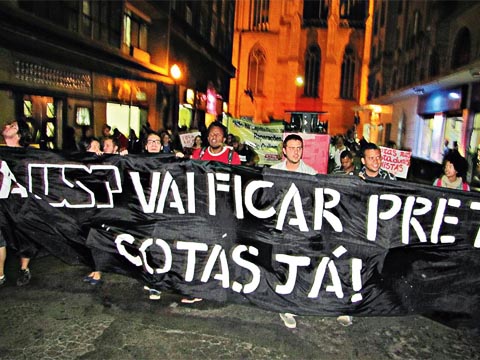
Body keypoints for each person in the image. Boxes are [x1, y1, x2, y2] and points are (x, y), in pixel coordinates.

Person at [270, 133, 316, 329]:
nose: (296, 152)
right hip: (279, 229)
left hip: (300, 230)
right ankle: (283, 304)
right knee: (280, 265)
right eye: (292, 148)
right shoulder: (273, 172)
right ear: (284, 151)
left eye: (299, 148)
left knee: (297, 267)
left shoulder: (311, 174)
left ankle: (292, 302)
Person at [0, 120, 34, 286]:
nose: (7, 127)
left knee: (22, 235)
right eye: (8, 125)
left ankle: (24, 268)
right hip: (2, 199)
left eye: (12, 126)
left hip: (20, 201)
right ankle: (0, 275)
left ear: (19, 135)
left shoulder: (26, 155)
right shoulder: (1, 151)